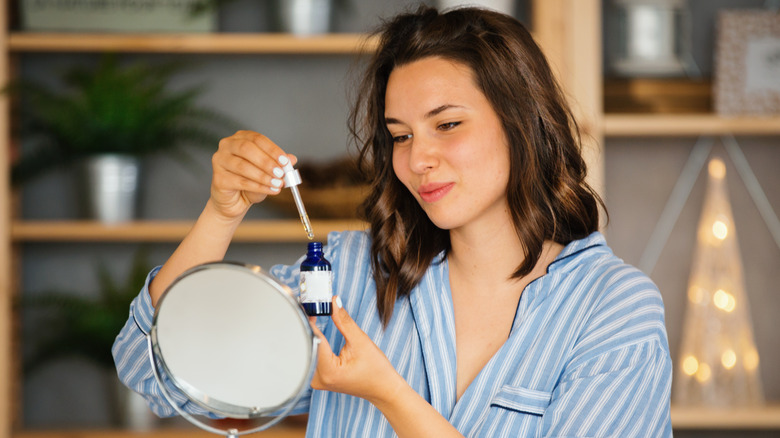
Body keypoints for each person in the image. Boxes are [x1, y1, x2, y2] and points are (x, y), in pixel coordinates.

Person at [113, 5, 673, 437]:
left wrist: (389, 396)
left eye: (447, 124)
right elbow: (150, 369)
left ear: (521, 123)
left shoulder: (611, 309)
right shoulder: (350, 279)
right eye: (400, 135)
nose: (417, 159)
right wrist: (221, 213)